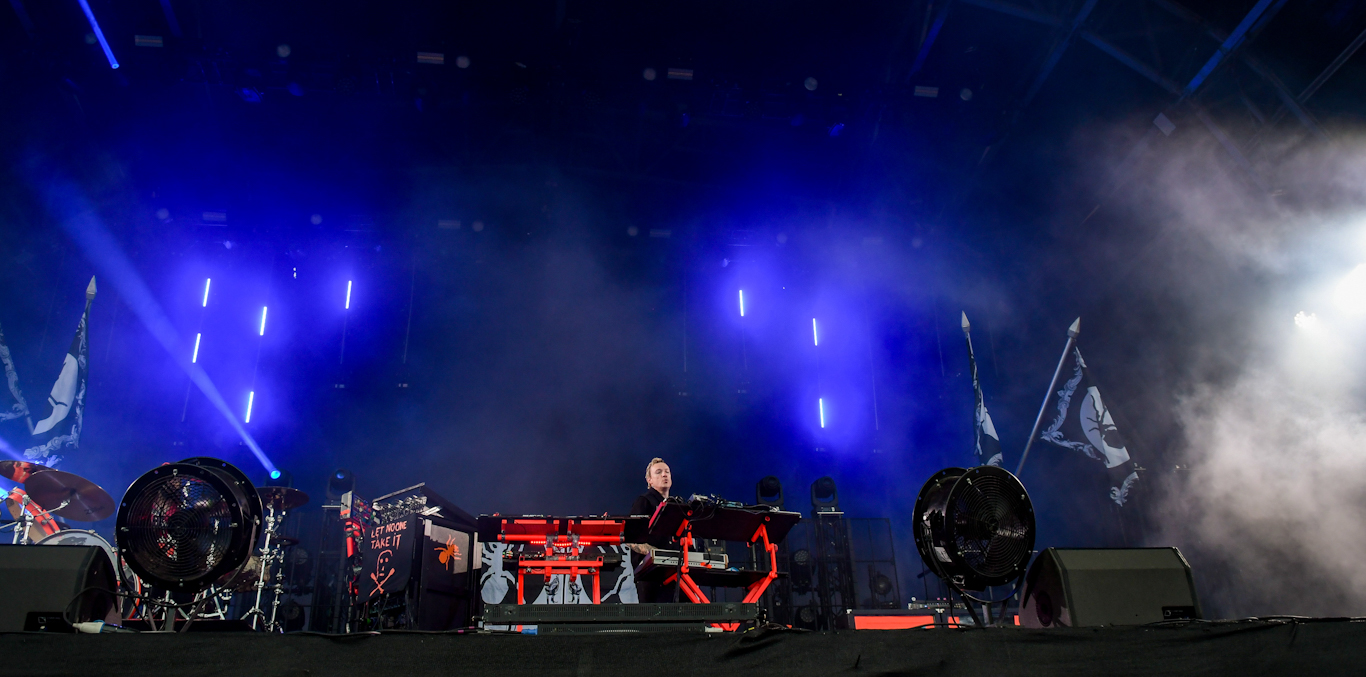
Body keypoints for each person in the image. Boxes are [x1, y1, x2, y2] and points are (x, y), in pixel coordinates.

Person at [628, 457, 674, 602]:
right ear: (649, 480)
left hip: (673, 572)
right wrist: (655, 554)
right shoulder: (644, 501)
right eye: (659, 472)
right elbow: (630, 537)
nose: (664, 475)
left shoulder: (674, 506)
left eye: (667, 472)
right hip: (651, 575)